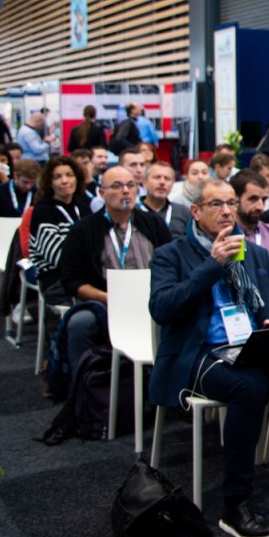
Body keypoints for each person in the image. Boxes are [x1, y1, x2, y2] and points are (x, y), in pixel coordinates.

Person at [149, 177, 269, 537]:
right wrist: (213, 265)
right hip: (201, 352)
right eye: (216, 204)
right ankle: (236, 503)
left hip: (251, 346)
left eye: (231, 203)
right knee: (250, 385)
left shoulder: (255, 254)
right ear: (195, 211)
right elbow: (163, 309)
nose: (227, 211)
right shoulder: (171, 254)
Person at [56, 166, 171, 388]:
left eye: (130, 185)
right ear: (102, 193)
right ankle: (84, 390)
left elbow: (172, 265)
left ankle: (170, 388)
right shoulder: (83, 230)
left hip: (153, 301)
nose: (125, 191)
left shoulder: (153, 223)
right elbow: (71, 280)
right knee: (80, 323)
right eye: (117, 186)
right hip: (106, 303)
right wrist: (107, 298)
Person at [29, 156, 91, 304]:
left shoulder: (84, 209)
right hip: (57, 280)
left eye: (69, 175)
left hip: (88, 275)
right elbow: (58, 257)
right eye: (58, 177)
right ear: (50, 183)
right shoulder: (43, 211)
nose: (65, 181)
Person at [0, 158, 39, 242]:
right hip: (3, 238)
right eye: (25, 182)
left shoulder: (37, 194)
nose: (29, 186)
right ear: (15, 175)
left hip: (30, 239)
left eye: (32, 183)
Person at [139, 162, 192, 239]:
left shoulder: (183, 212)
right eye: (157, 177)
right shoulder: (133, 211)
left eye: (167, 179)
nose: (162, 182)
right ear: (145, 183)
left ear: (172, 184)